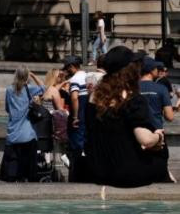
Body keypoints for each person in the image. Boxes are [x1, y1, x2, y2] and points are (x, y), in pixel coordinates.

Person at [84, 46, 170, 187]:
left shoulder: (93, 97)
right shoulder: (132, 98)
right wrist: (158, 137)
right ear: (130, 70)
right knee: (161, 153)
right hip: (126, 173)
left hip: (97, 170)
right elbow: (146, 140)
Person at [0, 66, 44, 182]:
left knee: (13, 158)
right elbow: (43, 87)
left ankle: (14, 176)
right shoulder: (29, 88)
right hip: (27, 132)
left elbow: (7, 108)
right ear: (26, 76)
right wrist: (33, 75)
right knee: (28, 158)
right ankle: (27, 176)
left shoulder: (9, 89)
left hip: (13, 131)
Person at [62, 55, 87, 171]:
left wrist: (75, 116)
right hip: (87, 114)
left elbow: (74, 98)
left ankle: (76, 170)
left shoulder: (75, 79)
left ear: (72, 67)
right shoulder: (87, 77)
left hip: (79, 114)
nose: (66, 71)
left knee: (76, 145)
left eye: (67, 68)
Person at [140, 57, 174, 129]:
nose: (158, 70)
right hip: (156, 130)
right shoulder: (161, 88)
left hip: (135, 131)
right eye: (156, 68)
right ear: (151, 71)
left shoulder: (131, 88)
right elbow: (170, 117)